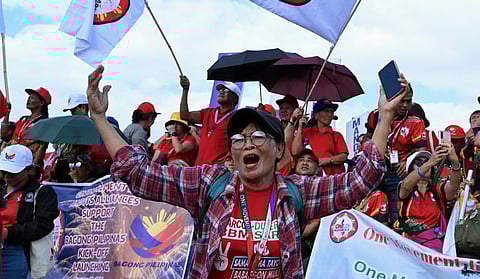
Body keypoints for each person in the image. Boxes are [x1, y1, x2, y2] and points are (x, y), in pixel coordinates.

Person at [87, 65, 409, 279]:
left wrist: (384, 118)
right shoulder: (209, 184)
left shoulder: (297, 192)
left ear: (278, 149)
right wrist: (100, 118)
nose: (246, 144)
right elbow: (139, 172)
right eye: (239, 138)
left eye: (257, 136)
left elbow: (359, 180)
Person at [366, 85, 427, 224]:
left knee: (396, 215)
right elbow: (368, 137)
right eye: (402, 101)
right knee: (375, 212)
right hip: (376, 171)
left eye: (409, 101)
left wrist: (407, 162)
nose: (405, 105)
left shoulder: (416, 122)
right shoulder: (376, 116)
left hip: (399, 174)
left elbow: (421, 153)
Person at [0, 144, 59, 279]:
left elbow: (43, 225)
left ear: (28, 170)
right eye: (4, 171)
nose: (8, 176)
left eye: (14, 173)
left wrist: (8, 233)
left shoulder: (42, 192)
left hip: (18, 250)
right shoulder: (1, 190)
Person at [395, 145, 461, 251]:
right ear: (410, 168)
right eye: (419, 162)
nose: (425, 164)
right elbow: (405, 186)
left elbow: (453, 188)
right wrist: (430, 162)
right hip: (408, 245)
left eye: (427, 161)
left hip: (435, 245)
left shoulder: (437, 190)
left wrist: (455, 162)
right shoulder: (405, 187)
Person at [180, 77, 240, 165]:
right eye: (220, 90)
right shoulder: (208, 112)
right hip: (199, 167)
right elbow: (184, 115)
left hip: (218, 171)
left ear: (235, 98)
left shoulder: (236, 118)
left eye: (226, 90)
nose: (221, 92)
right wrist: (185, 90)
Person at [292, 98, 348, 176]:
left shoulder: (336, 135)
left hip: (328, 181)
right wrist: (300, 127)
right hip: (306, 179)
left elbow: (344, 156)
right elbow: (295, 152)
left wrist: (328, 160)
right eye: (326, 111)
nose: (329, 114)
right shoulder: (306, 132)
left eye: (331, 112)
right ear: (316, 115)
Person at [1, 87, 51, 167]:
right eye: (28, 97)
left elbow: (42, 147)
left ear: (41, 103)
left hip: (27, 165)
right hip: (12, 161)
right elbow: (4, 134)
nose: (28, 99)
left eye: (32, 98)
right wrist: (7, 112)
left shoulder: (44, 123)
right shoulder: (23, 119)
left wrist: (33, 166)